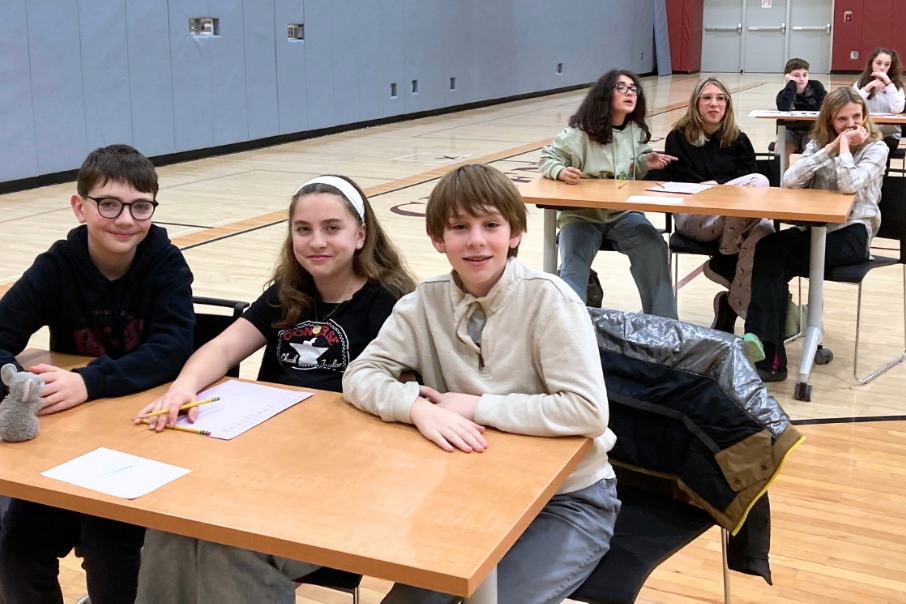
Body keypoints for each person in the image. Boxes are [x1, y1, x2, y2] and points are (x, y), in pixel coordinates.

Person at [343, 164, 621, 604]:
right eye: (459, 227)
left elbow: (587, 411)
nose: (476, 239)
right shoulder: (423, 302)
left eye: (491, 224)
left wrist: (474, 406)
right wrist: (416, 406)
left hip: (568, 501)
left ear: (514, 234)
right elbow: (359, 375)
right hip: (468, 497)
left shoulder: (551, 299)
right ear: (438, 239)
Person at [133, 175, 417, 604]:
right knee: (171, 523)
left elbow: (405, 399)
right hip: (263, 466)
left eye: (331, 228)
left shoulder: (391, 304)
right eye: (303, 229)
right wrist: (183, 388)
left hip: (340, 482)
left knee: (227, 545)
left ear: (361, 235)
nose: (316, 241)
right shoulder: (288, 293)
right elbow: (223, 346)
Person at [0, 144, 195, 604]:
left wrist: (88, 382)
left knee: (113, 551)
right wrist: (12, 376)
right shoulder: (57, 266)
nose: (125, 219)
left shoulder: (166, 264)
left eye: (140, 206)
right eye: (109, 204)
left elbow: (172, 349)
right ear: (80, 206)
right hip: (69, 441)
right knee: (17, 551)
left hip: (143, 437)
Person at [744, 87, 888, 382]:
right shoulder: (819, 144)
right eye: (842, 119)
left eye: (857, 117)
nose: (851, 125)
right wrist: (830, 148)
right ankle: (766, 347)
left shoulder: (876, 148)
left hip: (852, 233)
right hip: (813, 228)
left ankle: (768, 347)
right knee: (769, 247)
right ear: (830, 121)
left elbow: (850, 184)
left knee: (777, 263)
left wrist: (845, 149)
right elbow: (789, 180)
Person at [539, 69, 678, 319]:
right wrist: (559, 171)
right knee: (574, 263)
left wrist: (647, 162)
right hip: (582, 216)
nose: (630, 93)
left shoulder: (636, 132)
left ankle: (665, 327)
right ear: (605, 94)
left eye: (633, 89)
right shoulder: (579, 133)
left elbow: (631, 171)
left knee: (654, 248)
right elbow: (548, 157)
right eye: (621, 88)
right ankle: (570, 329)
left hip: (623, 214)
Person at [665, 77, 774, 333]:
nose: (714, 103)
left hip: (727, 218)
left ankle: (729, 308)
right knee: (759, 183)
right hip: (692, 215)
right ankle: (757, 324)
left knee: (764, 232)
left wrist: (716, 183)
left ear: (727, 104)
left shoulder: (739, 140)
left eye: (720, 98)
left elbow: (750, 187)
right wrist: (722, 188)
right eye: (707, 98)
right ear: (696, 103)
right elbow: (679, 180)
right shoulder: (678, 138)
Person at [853, 47, 905, 164]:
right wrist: (867, 88)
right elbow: (852, 106)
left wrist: (888, 84)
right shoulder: (860, 84)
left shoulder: (896, 86)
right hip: (866, 132)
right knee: (863, 155)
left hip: (889, 134)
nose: (882, 67)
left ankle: (883, 180)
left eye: (887, 64)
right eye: (878, 63)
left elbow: (898, 108)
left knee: (881, 152)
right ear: (871, 63)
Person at [776, 58, 827, 169]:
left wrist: (798, 107)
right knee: (780, 148)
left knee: (812, 148)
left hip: (812, 129)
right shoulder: (784, 94)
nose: (802, 79)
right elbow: (784, 107)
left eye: (805, 75)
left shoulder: (816, 87)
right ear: (788, 77)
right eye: (796, 75)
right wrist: (792, 85)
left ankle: (808, 182)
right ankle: (780, 182)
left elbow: (824, 106)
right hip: (790, 130)